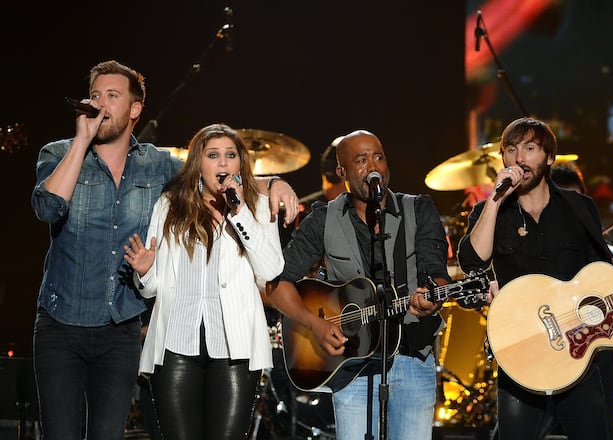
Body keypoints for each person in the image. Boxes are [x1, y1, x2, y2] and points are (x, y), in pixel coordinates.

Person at [30, 59, 298, 440]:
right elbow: (47, 208)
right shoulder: (58, 154)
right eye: (94, 96)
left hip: (120, 326)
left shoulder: (156, 166)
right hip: (61, 322)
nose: (99, 103)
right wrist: (81, 139)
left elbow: (209, 170)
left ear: (135, 109)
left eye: (111, 95)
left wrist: (272, 182)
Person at [456, 117, 613, 440]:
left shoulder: (579, 208)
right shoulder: (492, 211)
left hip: (577, 356)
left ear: (549, 158)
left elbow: (603, 270)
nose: (519, 159)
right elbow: (473, 260)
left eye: (529, 148)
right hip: (522, 354)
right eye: (511, 150)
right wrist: (496, 200)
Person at [264, 129, 452, 440]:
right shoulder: (323, 218)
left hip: (412, 357)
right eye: (362, 160)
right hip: (351, 368)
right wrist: (315, 324)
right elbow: (277, 284)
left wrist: (433, 295)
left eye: (379, 157)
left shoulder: (418, 209)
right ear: (342, 172)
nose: (373, 166)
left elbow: (437, 273)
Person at [124, 123, 285, 439]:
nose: (223, 163)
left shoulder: (259, 206)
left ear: (240, 164)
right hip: (175, 344)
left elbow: (270, 271)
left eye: (230, 155)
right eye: (213, 155)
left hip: (235, 350)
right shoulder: (170, 206)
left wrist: (239, 213)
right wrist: (143, 271)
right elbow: (152, 286)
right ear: (199, 164)